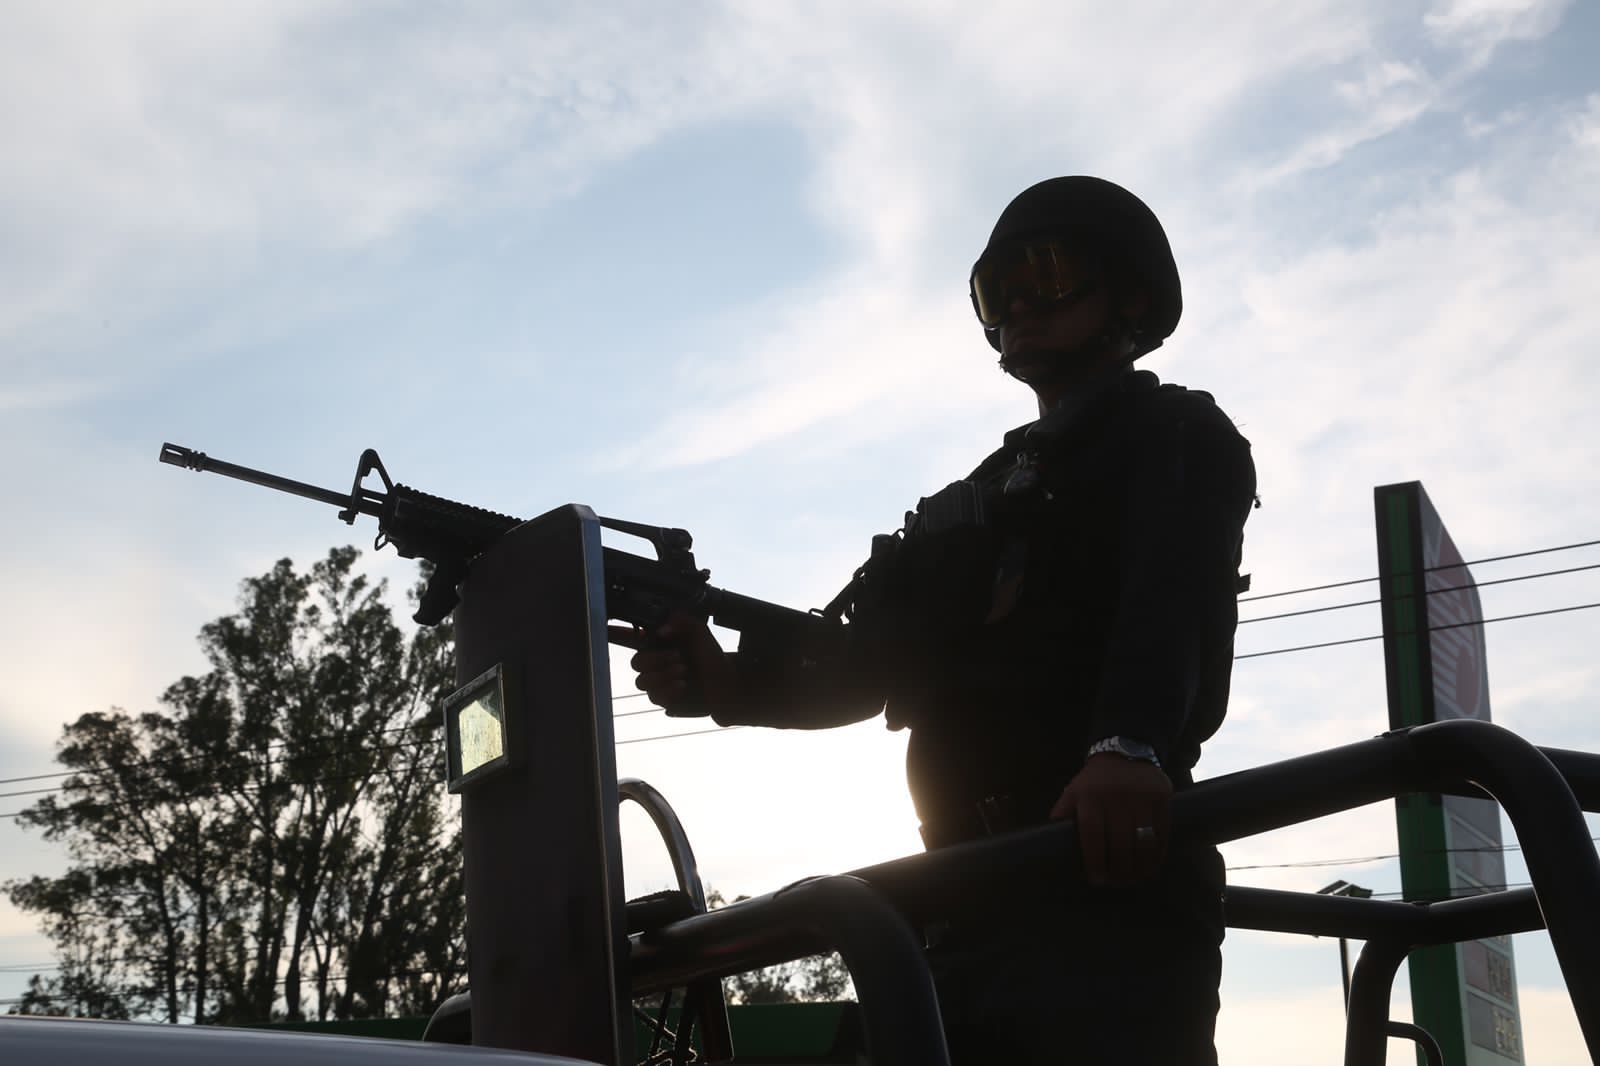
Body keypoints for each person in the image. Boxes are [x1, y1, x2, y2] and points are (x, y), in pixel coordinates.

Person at [613, 176, 1257, 1064]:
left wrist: (1127, 747)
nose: (1022, 304)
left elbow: (1171, 598)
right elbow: (869, 664)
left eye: (1050, 271)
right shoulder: (979, 499)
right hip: (953, 902)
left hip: (1104, 888)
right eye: (999, 291)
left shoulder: (1175, 434)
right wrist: (728, 681)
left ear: (1131, 294)